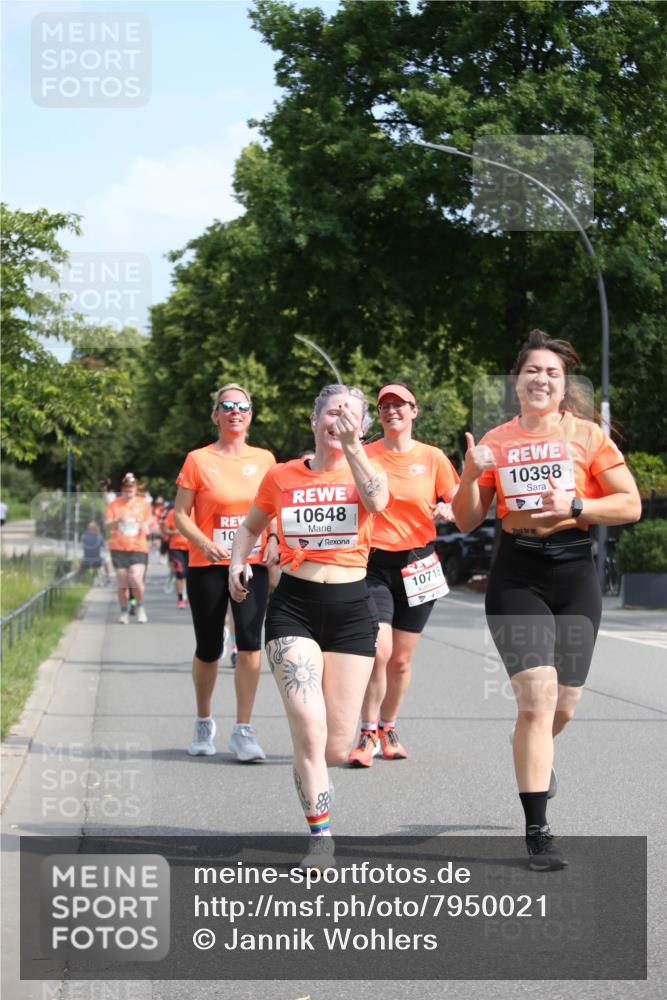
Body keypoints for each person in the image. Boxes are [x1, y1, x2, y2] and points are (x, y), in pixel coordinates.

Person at [451, 329, 641, 870]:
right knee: (535, 702)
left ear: (564, 386)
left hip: (574, 568)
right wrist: (469, 472)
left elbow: (628, 505)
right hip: (518, 573)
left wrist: (578, 503)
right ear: (517, 383)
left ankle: (539, 755)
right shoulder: (497, 439)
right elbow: (467, 519)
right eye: (532, 371)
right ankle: (538, 831)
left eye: (552, 373)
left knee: (565, 704)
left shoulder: (588, 436)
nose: (541, 379)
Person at [229, 384, 390, 868]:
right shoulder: (280, 477)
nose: (340, 420)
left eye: (352, 416)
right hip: (293, 606)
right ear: (314, 419)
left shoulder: (367, 468)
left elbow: (379, 503)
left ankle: (319, 774)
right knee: (307, 725)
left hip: (351, 608)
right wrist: (239, 563)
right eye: (332, 412)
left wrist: (357, 450)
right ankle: (320, 836)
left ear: (362, 427)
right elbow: (250, 528)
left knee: (337, 746)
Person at [348, 382, 460, 766]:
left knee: (401, 660)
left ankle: (388, 725)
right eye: (385, 406)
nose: (392, 410)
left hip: (419, 563)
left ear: (415, 411)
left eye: (400, 404)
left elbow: (460, 500)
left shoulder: (432, 458)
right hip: (373, 564)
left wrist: (450, 510)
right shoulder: (365, 454)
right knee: (379, 651)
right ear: (378, 415)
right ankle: (366, 732)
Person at [174, 383, 278, 763]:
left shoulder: (266, 459)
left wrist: (274, 540)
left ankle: (243, 730)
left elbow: (276, 507)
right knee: (209, 648)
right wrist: (204, 543)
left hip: (251, 564)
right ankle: (204, 721)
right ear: (216, 415)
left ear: (251, 415)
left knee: (250, 642)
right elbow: (180, 515)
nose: (235, 412)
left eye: (243, 406)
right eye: (227, 406)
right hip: (209, 563)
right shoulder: (198, 459)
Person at [104, 473, 152, 624]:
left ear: (136, 488)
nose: (128, 490)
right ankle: (124, 612)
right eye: (126, 487)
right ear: (122, 489)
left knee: (136, 577)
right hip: (118, 547)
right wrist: (117, 520)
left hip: (138, 547)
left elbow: (150, 527)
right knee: (122, 581)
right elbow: (106, 525)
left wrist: (142, 524)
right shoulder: (114, 505)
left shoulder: (143, 504)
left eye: (131, 487)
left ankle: (140, 606)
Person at [163, 504, 189, 608]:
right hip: (176, 548)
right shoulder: (172, 513)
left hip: (193, 549)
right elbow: (165, 530)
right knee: (180, 573)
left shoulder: (197, 510)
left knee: (190, 575)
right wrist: (175, 532)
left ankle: (189, 596)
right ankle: (180, 598)